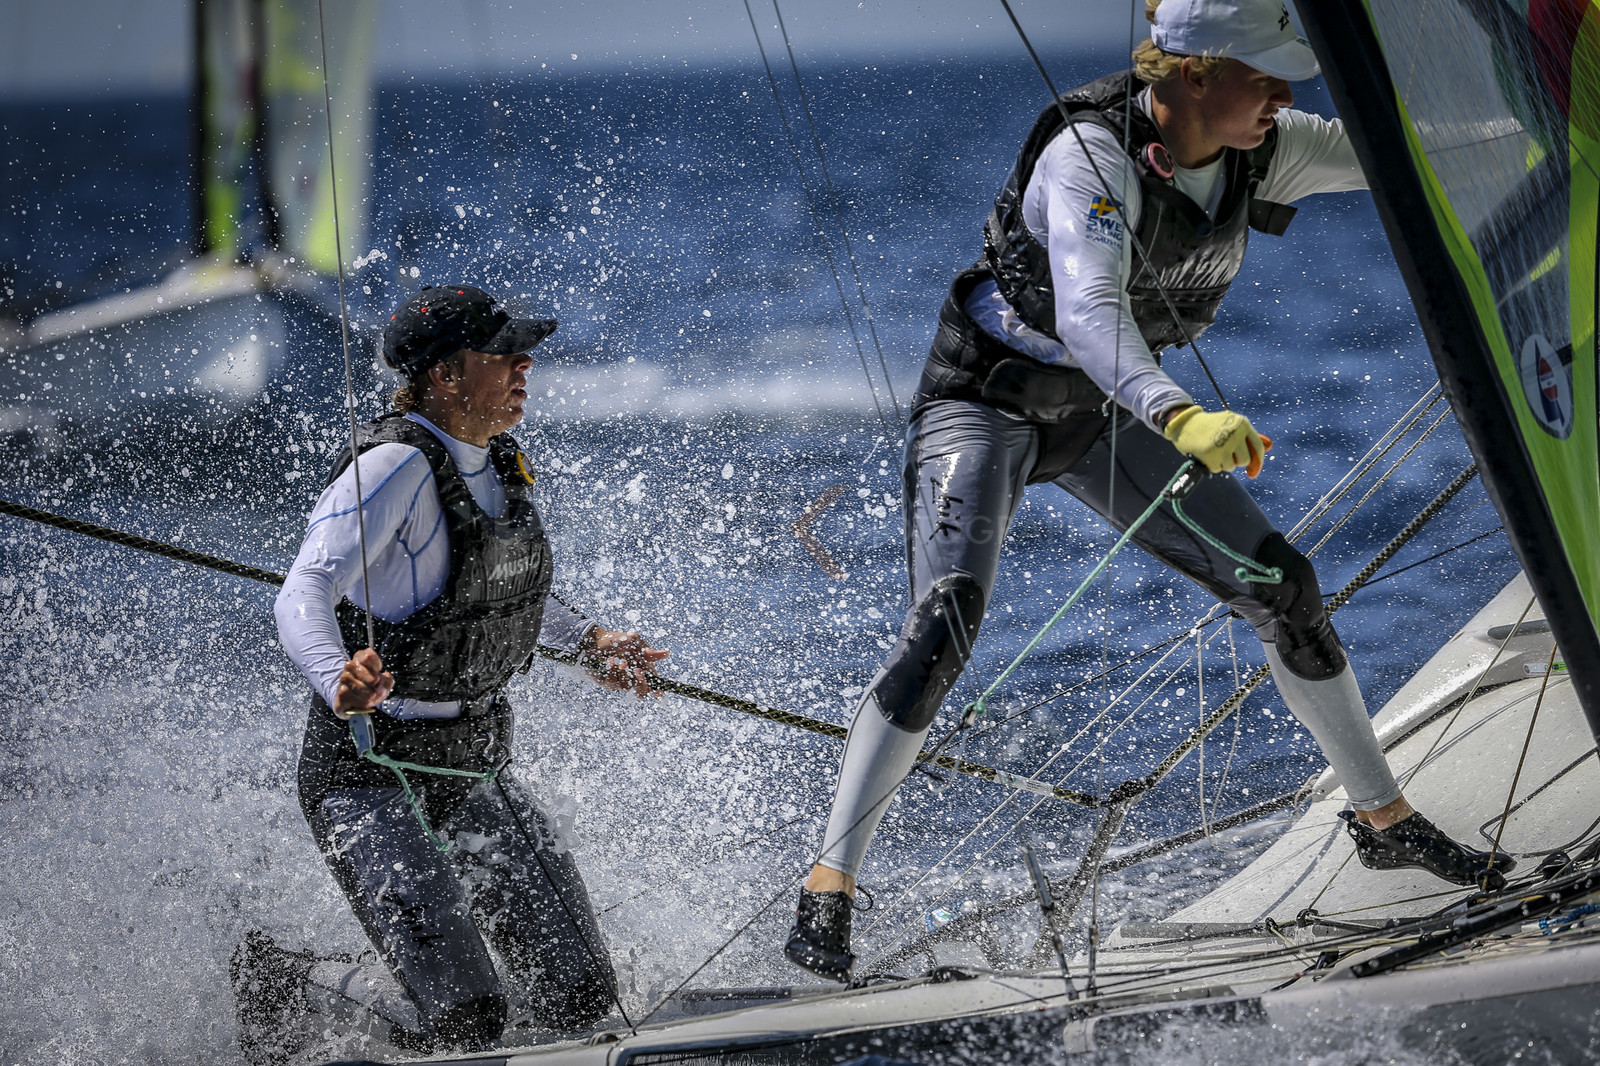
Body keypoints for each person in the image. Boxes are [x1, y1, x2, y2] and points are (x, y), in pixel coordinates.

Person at [783, 0, 1514, 983]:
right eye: (1262, 73)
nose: (1284, 94)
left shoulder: (1266, 145)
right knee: (945, 621)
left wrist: (1551, 105)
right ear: (1192, 72)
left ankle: (1379, 820)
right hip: (988, 396)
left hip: (1107, 413)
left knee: (1282, 583)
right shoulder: (1087, 157)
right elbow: (1087, 310)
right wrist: (1179, 417)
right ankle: (827, 886)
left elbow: (1418, 149)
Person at [255, 284, 668, 1053]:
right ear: (445, 376)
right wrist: (336, 677)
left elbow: (492, 587)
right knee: (467, 1021)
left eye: (524, 352)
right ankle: (290, 978)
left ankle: (446, 978)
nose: (524, 365)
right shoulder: (390, 468)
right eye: (502, 354)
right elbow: (301, 591)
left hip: (472, 769)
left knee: (579, 997)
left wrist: (591, 644)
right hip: (371, 777)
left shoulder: (496, 460)